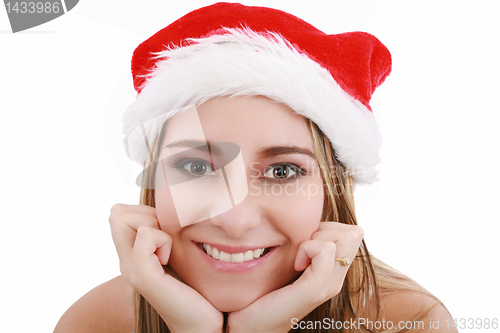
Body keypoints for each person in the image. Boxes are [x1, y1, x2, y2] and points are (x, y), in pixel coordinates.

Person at [55, 3, 456, 332]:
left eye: (282, 172)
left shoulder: (410, 323)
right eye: (196, 166)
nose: (235, 219)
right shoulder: (94, 324)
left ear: (332, 189)